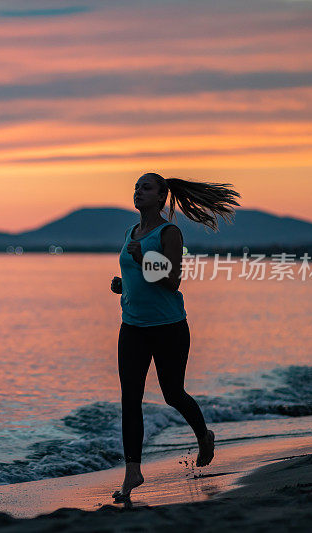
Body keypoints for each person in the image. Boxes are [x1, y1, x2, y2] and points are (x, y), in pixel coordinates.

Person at [109, 172, 240, 502]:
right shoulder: (131, 232)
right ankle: (132, 472)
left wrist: (143, 259)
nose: (138, 191)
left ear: (161, 197)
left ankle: (204, 436)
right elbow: (136, 278)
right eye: (136, 186)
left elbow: (172, 282)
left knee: (173, 393)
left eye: (146, 187)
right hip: (133, 327)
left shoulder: (170, 232)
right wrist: (123, 285)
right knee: (130, 399)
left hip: (169, 327)